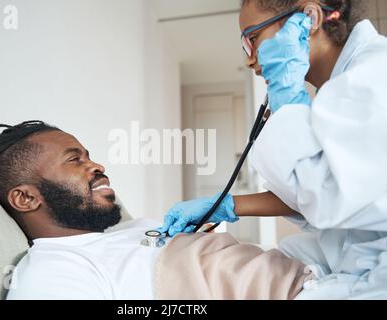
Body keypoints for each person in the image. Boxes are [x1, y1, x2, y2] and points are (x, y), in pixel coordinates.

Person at [158, 0, 387, 299]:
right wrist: (227, 205)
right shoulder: (342, 88)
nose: (250, 61)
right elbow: (315, 189)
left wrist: (289, 100)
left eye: (252, 39)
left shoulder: (373, 79)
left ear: (309, 18)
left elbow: (326, 197)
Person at [0, 121, 308, 300]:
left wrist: (231, 206)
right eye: (74, 159)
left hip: (315, 276)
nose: (97, 165)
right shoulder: (54, 270)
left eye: (88, 155)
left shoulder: (135, 228)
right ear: (25, 199)